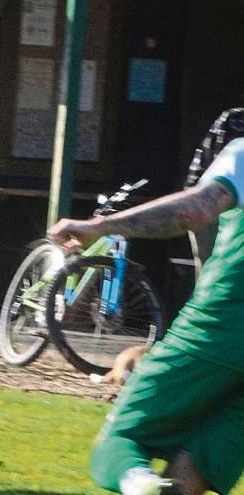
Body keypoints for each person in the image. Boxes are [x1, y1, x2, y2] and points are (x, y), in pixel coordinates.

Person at [48, 140, 244, 495]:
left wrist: (102, 226)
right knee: (201, 460)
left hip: (222, 325)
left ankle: (139, 484)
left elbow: (195, 211)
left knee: (120, 442)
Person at [184, 107, 244, 277]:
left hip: (230, 206)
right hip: (206, 205)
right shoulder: (235, 119)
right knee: (209, 273)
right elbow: (225, 178)